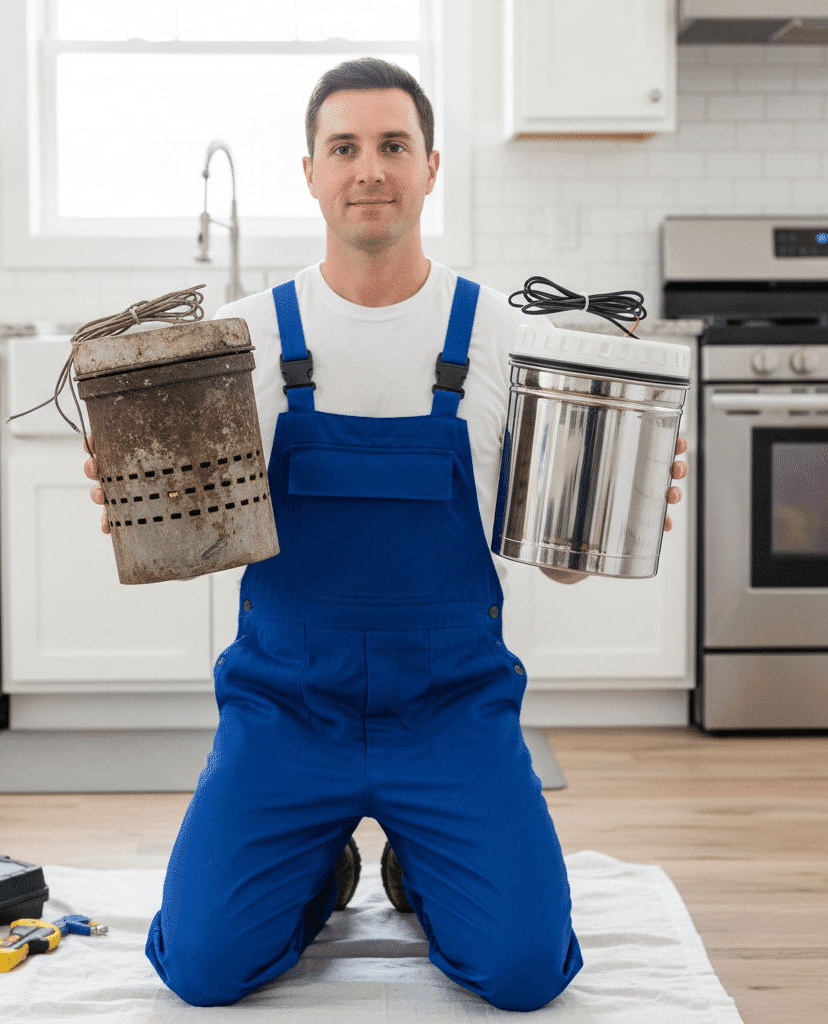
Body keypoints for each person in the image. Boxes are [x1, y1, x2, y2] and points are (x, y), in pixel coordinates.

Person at [84, 58, 687, 1011]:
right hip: (287, 709)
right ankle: (319, 871)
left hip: (450, 712)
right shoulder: (235, 345)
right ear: (312, 172)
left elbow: (558, 568)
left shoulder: (501, 338)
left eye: (393, 145)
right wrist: (138, 492)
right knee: (201, 968)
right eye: (346, 148)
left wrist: (616, 510)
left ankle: (416, 869)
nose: (370, 168)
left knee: (526, 972)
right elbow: (183, 542)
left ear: (432, 167)